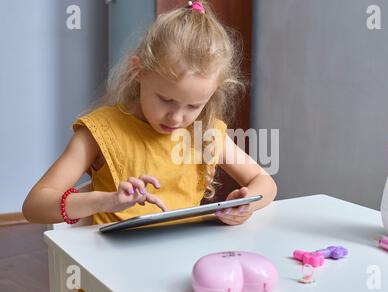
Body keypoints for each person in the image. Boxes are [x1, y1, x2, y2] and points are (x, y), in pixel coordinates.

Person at [22, 1, 277, 229]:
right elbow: (35, 206)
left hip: (182, 262)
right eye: (166, 100)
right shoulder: (99, 131)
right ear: (139, 70)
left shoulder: (205, 132)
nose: (177, 118)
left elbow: (264, 183)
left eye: (193, 106)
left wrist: (246, 205)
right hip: (112, 270)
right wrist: (105, 201)